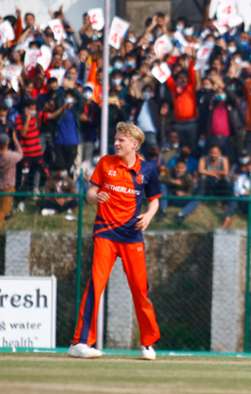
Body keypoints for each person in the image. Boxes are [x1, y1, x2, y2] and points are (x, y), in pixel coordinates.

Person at [68, 122, 161, 361]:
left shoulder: (148, 169)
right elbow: (90, 193)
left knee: (140, 291)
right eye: (116, 138)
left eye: (121, 140)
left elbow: (155, 201)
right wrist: (95, 197)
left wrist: (149, 216)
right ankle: (80, 343)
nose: (116, 143)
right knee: (95, 286)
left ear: (135, 144)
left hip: (132, 236)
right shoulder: (105, 162)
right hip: (105, 233)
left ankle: (147, 344)